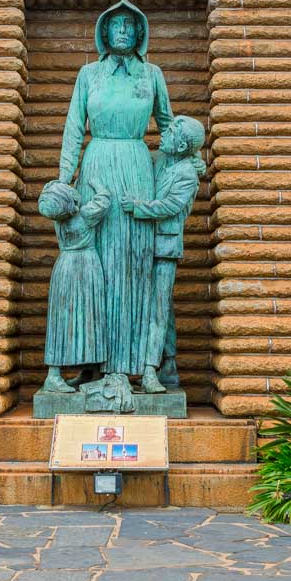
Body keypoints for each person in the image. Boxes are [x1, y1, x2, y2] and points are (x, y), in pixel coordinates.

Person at [58, 0, 173, 383]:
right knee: (98, 269)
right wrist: (64, 181)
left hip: (138, 170)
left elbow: (170, 129)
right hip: (98, 168)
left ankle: (136, 365)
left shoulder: (152, 74)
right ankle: (95, 363)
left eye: (129, 24)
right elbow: (75, 128)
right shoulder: (88, 75)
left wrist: (188, 164)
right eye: (115, 24)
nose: (122, 30)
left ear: (139, 32)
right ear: (104, 32)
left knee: (136, 266)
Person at [121, 115, 206, 393]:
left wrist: (138, 207)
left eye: (171, 133)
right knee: (162, 309)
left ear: (181, 146)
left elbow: (169, 206)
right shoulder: (159, 159)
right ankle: (168, 363)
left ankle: (149, 372)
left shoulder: (186, 175)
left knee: (157, 311)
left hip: (165, 248)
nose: (164, 133)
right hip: (143, 243)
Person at [37, 180, 110, 393]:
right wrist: (97, 184)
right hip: (85, 267)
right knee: (87, 319)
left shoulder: (58, 219)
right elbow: (104, 201)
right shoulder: (84, 216)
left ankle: (89, 370)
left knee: (66, 320)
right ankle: (54, 375)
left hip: (65, 267)